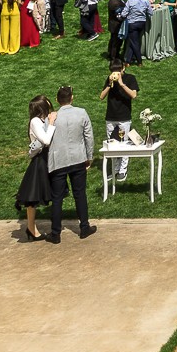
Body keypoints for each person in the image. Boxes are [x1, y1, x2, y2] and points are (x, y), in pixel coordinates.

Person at [45, 85, 96, 243]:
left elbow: (46, 138)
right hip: (78, 158)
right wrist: (89, 156)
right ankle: (84, 227)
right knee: (79, 193)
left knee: (57, 197)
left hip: (58, 160)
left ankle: (55, 233)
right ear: (72, 98)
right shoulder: (81, 113)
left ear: (57, 100)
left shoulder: (52, 117)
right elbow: (89, 137)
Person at [17, 95, 54, 241]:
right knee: (33, 197)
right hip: (40, 161)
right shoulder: (35, 121)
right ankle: (31, 229)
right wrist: (51, 123)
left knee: (37, 195)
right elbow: (45, 140)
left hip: (46, 159)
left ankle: (31, 228)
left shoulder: (42, 120)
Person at [101, 62, 139, 181]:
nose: (116, 73)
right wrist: (109, 84)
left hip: (124, 116)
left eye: (118, 71)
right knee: (112, 144)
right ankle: (114, 169)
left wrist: (122, 84)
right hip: (110, 117)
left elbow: (133, 95)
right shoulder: (109, 79)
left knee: (124, 143)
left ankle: (123, 170)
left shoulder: (130, 78)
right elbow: (101, 96)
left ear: (123, 69)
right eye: (113, 71)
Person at [120, 0, 151, 65]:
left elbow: (124, 13)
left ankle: (139, 61)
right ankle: (128, 61)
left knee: (134, 42)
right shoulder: (146, 1)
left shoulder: (130, 1)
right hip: (142, 23)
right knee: (132, 41)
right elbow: (150, 12)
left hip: (132, 23)